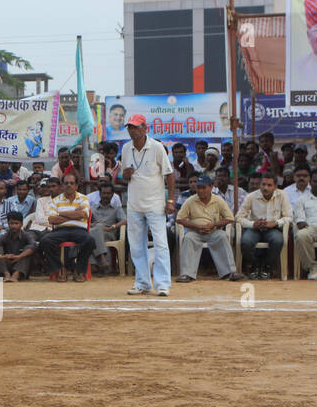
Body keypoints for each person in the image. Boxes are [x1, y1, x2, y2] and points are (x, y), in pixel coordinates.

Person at [120, 113, 173, 296]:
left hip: (155, 204)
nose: (132, 131)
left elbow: (169, 174)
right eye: (130, 127)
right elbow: (124, 176)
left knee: (160, 244)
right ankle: (142, 283)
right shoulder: (126, 149)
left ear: (145, 128)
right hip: (134, 204)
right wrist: (125, 174)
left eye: (136, 127)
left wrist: (171, 200)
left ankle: (163, 284)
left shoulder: (157, 147)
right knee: (136, 245)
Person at [175, 174, 239, 282]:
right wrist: (196, 226)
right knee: (189, 238)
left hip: (213, 231)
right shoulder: (190, 200)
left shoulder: (218, 200)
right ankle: (187, 274)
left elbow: (230, 218)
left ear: (211, 187)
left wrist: (214, 225)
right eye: (198, 187)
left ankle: (230, 272)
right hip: (195, 232)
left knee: (222, 236)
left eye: (203, 187)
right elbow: (179, 219)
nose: (200, 190)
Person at [38, 173, 95, 282]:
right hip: (60, 230)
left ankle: (79, 271)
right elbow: (52, 220)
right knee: (45, 241)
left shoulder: (83, 198)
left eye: (72, 183)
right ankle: (60, 269)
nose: (69, 185)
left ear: (76, 186)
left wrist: (61, 214)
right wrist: (75, 214)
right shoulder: (56, 200)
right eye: (66, 183)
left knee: (90, 241)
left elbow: (83, 215)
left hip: (79, 230)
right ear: (62, 185)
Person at [237, 172, 293, 279]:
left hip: (272, 228)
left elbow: (289, 217)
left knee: (278, 240)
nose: (265, 188)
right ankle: (255, 265)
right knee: (246, 241)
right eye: (263, 184)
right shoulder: (251, 196)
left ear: (275, 186)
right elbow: (238, 217)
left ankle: (267, 266)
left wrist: (275, 223)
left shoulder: (282, 195)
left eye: (269, 185)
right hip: (254, 229)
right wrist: (253, 224)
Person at [90, 181, 126, 275]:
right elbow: (86, 223)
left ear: (112, 194)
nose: (106, 195)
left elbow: (125, 220)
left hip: (109, 233)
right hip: (95, 233)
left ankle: (94, 263)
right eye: (104, 193)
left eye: (108, 193)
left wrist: (113, 227)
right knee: (95, 229)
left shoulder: (116, 208)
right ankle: (102, 259)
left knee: (92, 234)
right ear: (100, 194)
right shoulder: (92, 208)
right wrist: (93, 225)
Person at [0, 212, 35, 281]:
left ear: (21, 224)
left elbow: (34, 246)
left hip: (21, 267)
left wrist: (19, 256)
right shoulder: (5, 236)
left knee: (28, 249)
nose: (13, 226)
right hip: (6, 265)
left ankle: (16, 275)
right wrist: (0, 256)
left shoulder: (26, 235)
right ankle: (6, 274)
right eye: (11, 223)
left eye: (16, 223)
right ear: (8, 224)